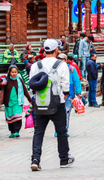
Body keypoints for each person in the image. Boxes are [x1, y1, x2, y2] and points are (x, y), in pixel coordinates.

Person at [28, 39, 73, 171]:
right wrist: (64, 95)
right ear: (56, 50)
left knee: (38, 132)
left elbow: (32, 84)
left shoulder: (36, 65)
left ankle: (35, 159)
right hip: (57, 103)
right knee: (61, 131)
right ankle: (64, 159)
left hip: (40, 103)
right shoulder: (61, 64)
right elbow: (65, 84)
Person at [0, 65, 31, 138]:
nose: (14, 74)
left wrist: (30, 99)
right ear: (9, 72)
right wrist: (1, 83)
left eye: (15, 72)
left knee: (17, 117)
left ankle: (17, 131)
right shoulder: (5, 79)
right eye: (12, 72)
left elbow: (25, 90)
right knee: (10, 117)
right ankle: (12, 131)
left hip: (18, 102)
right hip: (8, 103)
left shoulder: (19, 80)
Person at [59, 53, 82, 136]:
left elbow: (76, 81)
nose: (61, 61)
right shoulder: (55, 69)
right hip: (58, 94)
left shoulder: (71, 69)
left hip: (69, 94)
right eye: (59, 59)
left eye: (62, 59)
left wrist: (78, 92)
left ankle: (65, 129)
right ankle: (58, 129)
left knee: (66, 113)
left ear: (66, 60)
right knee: (58, 113)